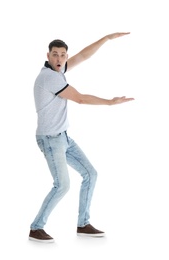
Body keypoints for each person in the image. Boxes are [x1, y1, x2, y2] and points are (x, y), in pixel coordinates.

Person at [29, 32, 134, 243]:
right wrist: (110, 102)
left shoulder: (58, 71)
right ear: (48, 56)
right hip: (50, 140)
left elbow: (83, 56)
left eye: (63, 55)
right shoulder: (48, 77)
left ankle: (83, 224)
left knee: (90, 174)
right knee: (62, 185)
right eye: (55, 54)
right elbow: (80, 99)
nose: (60, 59)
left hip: (64, 137)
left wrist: (105, 39)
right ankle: (36, 228)